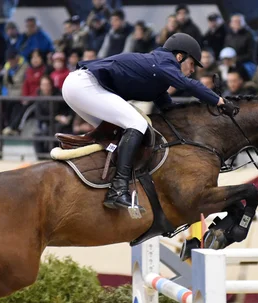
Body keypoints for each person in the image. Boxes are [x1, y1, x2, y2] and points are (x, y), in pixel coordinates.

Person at [61, 33, 235, 210]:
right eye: (191, 65)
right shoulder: (163, 61)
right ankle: (118, 189)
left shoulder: (158, 79)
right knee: (137, 124)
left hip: (77, 88)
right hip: (84, 85)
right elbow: (188, 84)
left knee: (118, 132)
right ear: (179, 56)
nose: (192, 71)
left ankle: (106, 181)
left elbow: (170, 111)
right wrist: (219, 101)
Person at [224, 14, 256, 78]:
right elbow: (225, 50)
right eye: (235, 21)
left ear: (244, 23)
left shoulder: (249, 35)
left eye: (239, 21)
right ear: (230, 24)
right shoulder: (228, 36)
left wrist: (235, 59)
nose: (237, 23)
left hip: (246, 63)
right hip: (231, 62)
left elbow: (251, 54)